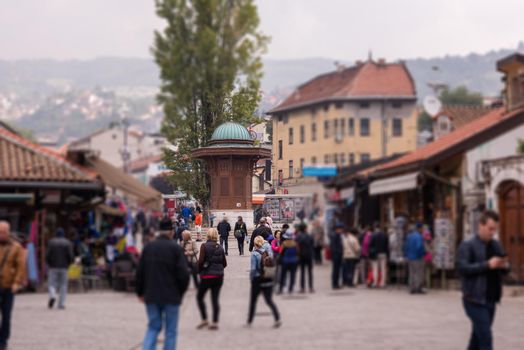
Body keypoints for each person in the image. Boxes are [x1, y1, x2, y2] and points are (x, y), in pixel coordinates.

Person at [457, 210, 509, 350]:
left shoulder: (496, 244)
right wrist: (487, 265)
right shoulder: (467, 245)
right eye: (490, 228)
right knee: (486, 338)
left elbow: (504, 267)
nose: (492, 232)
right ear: (481, 225)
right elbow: (463, 268)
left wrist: (503, 265)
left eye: (495, 229)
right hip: (474, 300)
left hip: (491, 299)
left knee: (477, 338)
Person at [135, 217, 190, 350]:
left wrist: (140, 292)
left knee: (153, 326)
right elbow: (184, 275)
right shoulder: (175, 249)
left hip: (151, 294)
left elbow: (140, 272)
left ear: (158, 231)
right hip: (171, 296)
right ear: (171, 231)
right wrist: (180, 293)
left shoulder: (148, 247)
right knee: (170, 331)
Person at [0, 221, 26, 350]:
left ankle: (3, 340)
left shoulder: (16, 247)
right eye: (0, 232)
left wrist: (16, 282)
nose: (2, 234)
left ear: (8, 232)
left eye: (4, 232)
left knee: (6, 315)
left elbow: (20, 267)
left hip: (8, 286)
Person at [247, 236, 281, 328]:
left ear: (255, 243)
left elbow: (253, 269)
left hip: (257, 279)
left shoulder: (254, 254)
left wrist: (251, 278)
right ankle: (277, 318)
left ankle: (249, 321)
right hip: (267, 277)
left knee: (253, 301)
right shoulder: (268, 252)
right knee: (269, 300)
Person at [196, 228, 227, 330]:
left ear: (208, 236)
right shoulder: (220, 247)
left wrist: (199, 270)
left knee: (200, 297)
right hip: (218, 276)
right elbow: (224, 264)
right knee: (215, 300)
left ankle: (204, 319)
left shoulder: (204, 246)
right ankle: (214, 322)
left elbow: (200, 261)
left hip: (206, 276)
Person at [46, 227, 74, 309]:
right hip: (64, 267)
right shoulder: (67, 243)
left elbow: (47, 255)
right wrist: (69, 263)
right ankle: (61, 304)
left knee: (51, 283)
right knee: (63, 285)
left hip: (53, 266)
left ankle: (53, 295)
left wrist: (49, 263)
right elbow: (70, 256)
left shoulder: (51, 242)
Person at [404, 223, 426, 294]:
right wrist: (422, 254)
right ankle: (418, 287)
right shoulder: (419, 237)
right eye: (422, 228)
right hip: (417, 257)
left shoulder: (409, 236)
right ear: (420, 228)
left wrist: (407, 255)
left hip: (410, 257)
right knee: (418, 273)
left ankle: (412, 288)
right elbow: (419, 247)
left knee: (411, 273)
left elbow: (406, 247)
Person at [295, 223, 315, 293]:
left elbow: (297, 247)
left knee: (302, 272)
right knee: (310, 272)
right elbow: (313, 245)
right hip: (309, 255)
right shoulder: (309, 236)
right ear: (305, 228)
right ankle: (311, 287)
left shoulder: (298, 237)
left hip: (301, 256)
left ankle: (302, 288)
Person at [369, 223, 389, 288]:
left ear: (375, 227)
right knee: (383, 268)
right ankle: (382, 283)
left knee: (375, 268)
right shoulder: (385, 235)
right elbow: (387, 245)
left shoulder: (373, 235)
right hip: (383, 253)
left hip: (375, 254)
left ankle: (375, 283)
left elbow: (370, 245)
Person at [329, 223, 345, 289]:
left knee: (337, 270)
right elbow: (333, 246)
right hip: (336, 256)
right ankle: (334, 284)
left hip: (338, 255)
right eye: (341, 229)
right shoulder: (335, 235)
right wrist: (338, 253)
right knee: (336, 270)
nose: (342, 230)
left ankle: (336, 284)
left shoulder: (338, 235)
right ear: (338, 229)